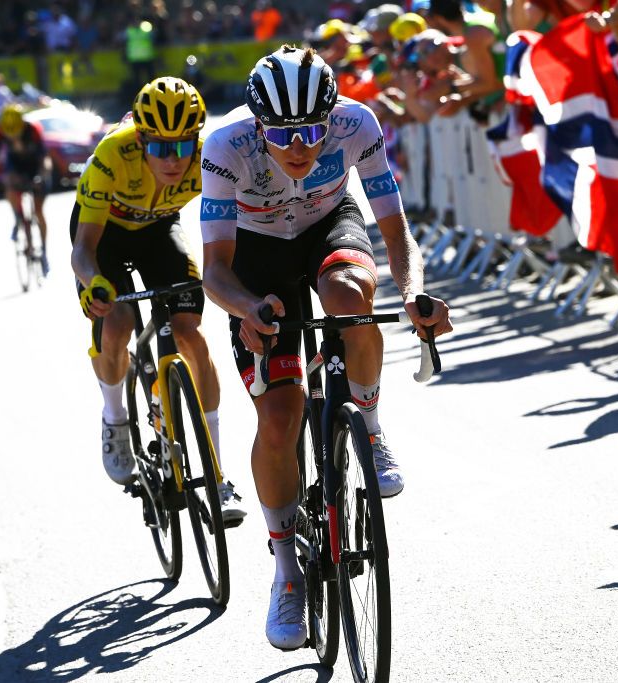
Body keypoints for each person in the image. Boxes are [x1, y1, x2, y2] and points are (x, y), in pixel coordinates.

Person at [199, 46, 452, 650]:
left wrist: (415, 293)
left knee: (348, 292)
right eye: (283, 135)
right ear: (258, 124)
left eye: (313, 131)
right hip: (256, 255)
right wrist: (246, 308)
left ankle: (367, 421)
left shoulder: (356, 124)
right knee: (280, 419)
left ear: (331, 116)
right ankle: (286, 572)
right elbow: (215, 270)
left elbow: (397, 233)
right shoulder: (226, 147)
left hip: (325, 226)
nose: (300, 146)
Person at [71, 77, 246, 525]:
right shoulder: (112, 155)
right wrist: (94, 285)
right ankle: (115, 418)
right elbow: (84, 251)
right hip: (104, 236)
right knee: (118, 324)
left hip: (158, 231)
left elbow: (235, 223)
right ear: (141, 140)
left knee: (192, 335)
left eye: (182, 147)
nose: (172, 160)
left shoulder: (209, 158)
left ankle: (219, 476)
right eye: (160, 149)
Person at [0, 103, 50, 276]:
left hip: (34, 165)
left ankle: (44, 252)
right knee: (9, 182)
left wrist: (41, 177)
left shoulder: (33, 129)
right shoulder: (0, 130)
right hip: (15, 166)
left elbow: (45, 159)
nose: (13, 136)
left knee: (38, 210)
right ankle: (18, 217)